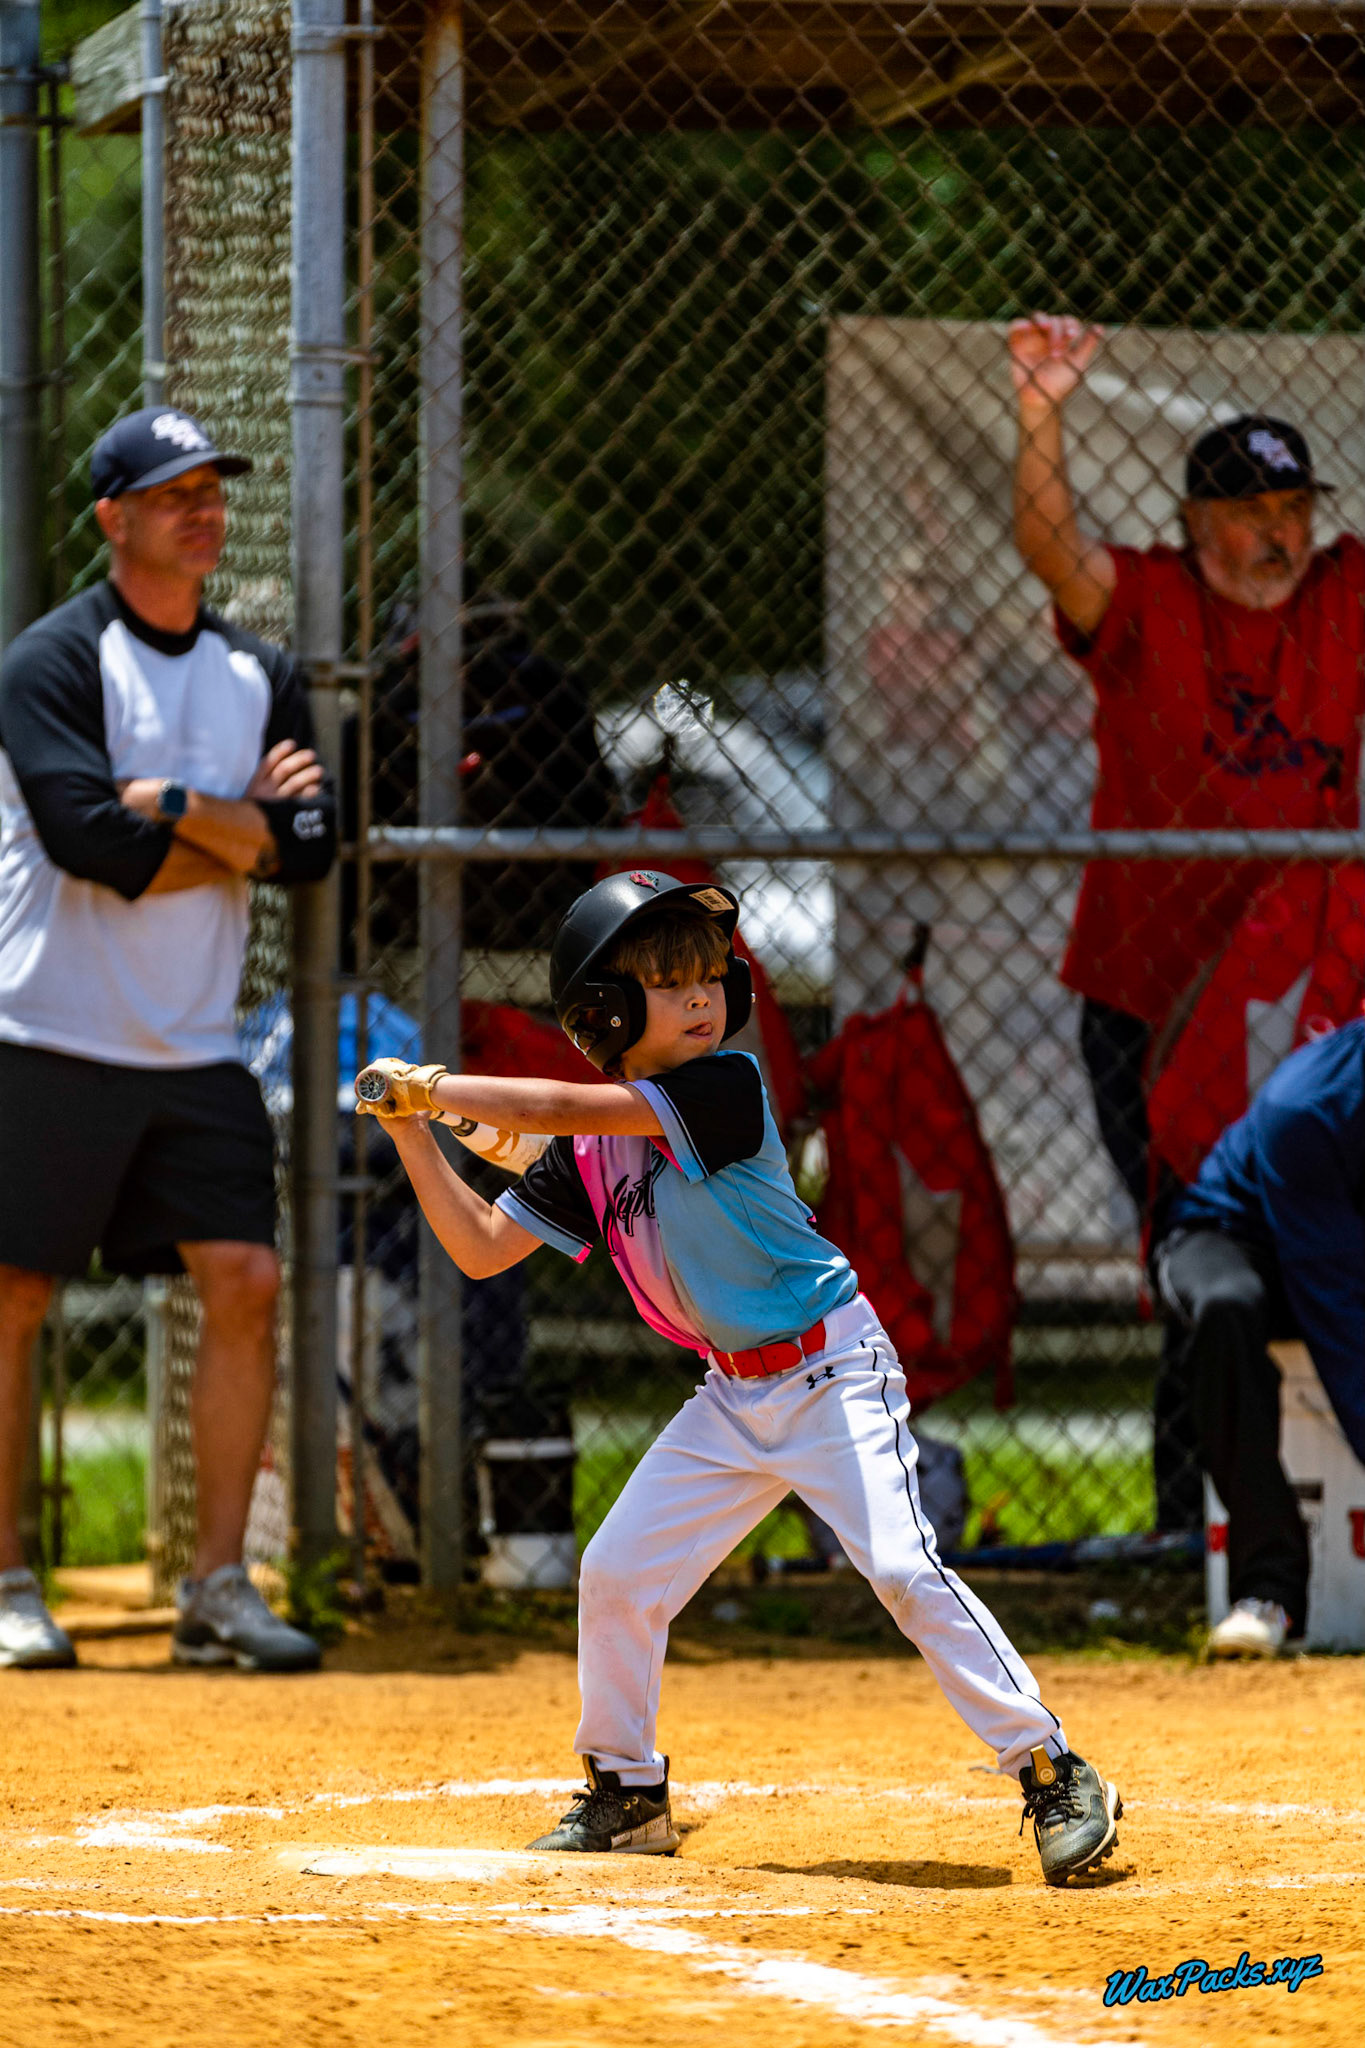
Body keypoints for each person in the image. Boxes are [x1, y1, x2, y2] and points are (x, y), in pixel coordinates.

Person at [356, 871, 1124, 1887]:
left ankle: (1053, 1768)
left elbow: (551, 1100)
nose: (702, 997)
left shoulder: (725, 1087)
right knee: (619, 1572)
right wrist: (410, 1127)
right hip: (731, 1397)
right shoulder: (594, 1150)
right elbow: (482, 1244)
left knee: (901, 1568)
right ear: (606, 1011)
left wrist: (435, 1086)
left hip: (833, 1370)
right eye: (668, 984)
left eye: (710, 975)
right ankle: (627, 1791)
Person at [1010, 313, 1365, 1528]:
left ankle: (1258, 1517)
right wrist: (1041, 408)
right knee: (1191, 1236)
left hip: (1300, 997)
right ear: (1199, 524)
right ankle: (1194, 1518)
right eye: (1255, 514)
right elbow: (1054, 554)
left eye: (1294, 511)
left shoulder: (1341, 593)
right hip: (1150, 997)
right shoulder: (1152, 599)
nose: (1280, 533)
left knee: (1303, 1224)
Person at [0, 406, 336, 1672]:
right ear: (113, 518)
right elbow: (91, 842)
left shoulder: (257, 673)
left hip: (197, 1046)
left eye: (212, 488)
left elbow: (311, 851)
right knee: (14, 1296)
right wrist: (239, 826)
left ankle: (215, 1586)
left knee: (243, 1281)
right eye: (172, 491)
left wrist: (182, 805)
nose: (203, 508)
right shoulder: (52, 661)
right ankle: (8, 1579)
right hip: (46, 1027)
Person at [1154, 1015, 1365, 1659]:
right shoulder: (1306, 1107)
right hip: (1232, 1237)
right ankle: (1265, 1589)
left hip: (1338, 1253)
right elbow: (1340, 1315)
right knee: (1225, 1309)